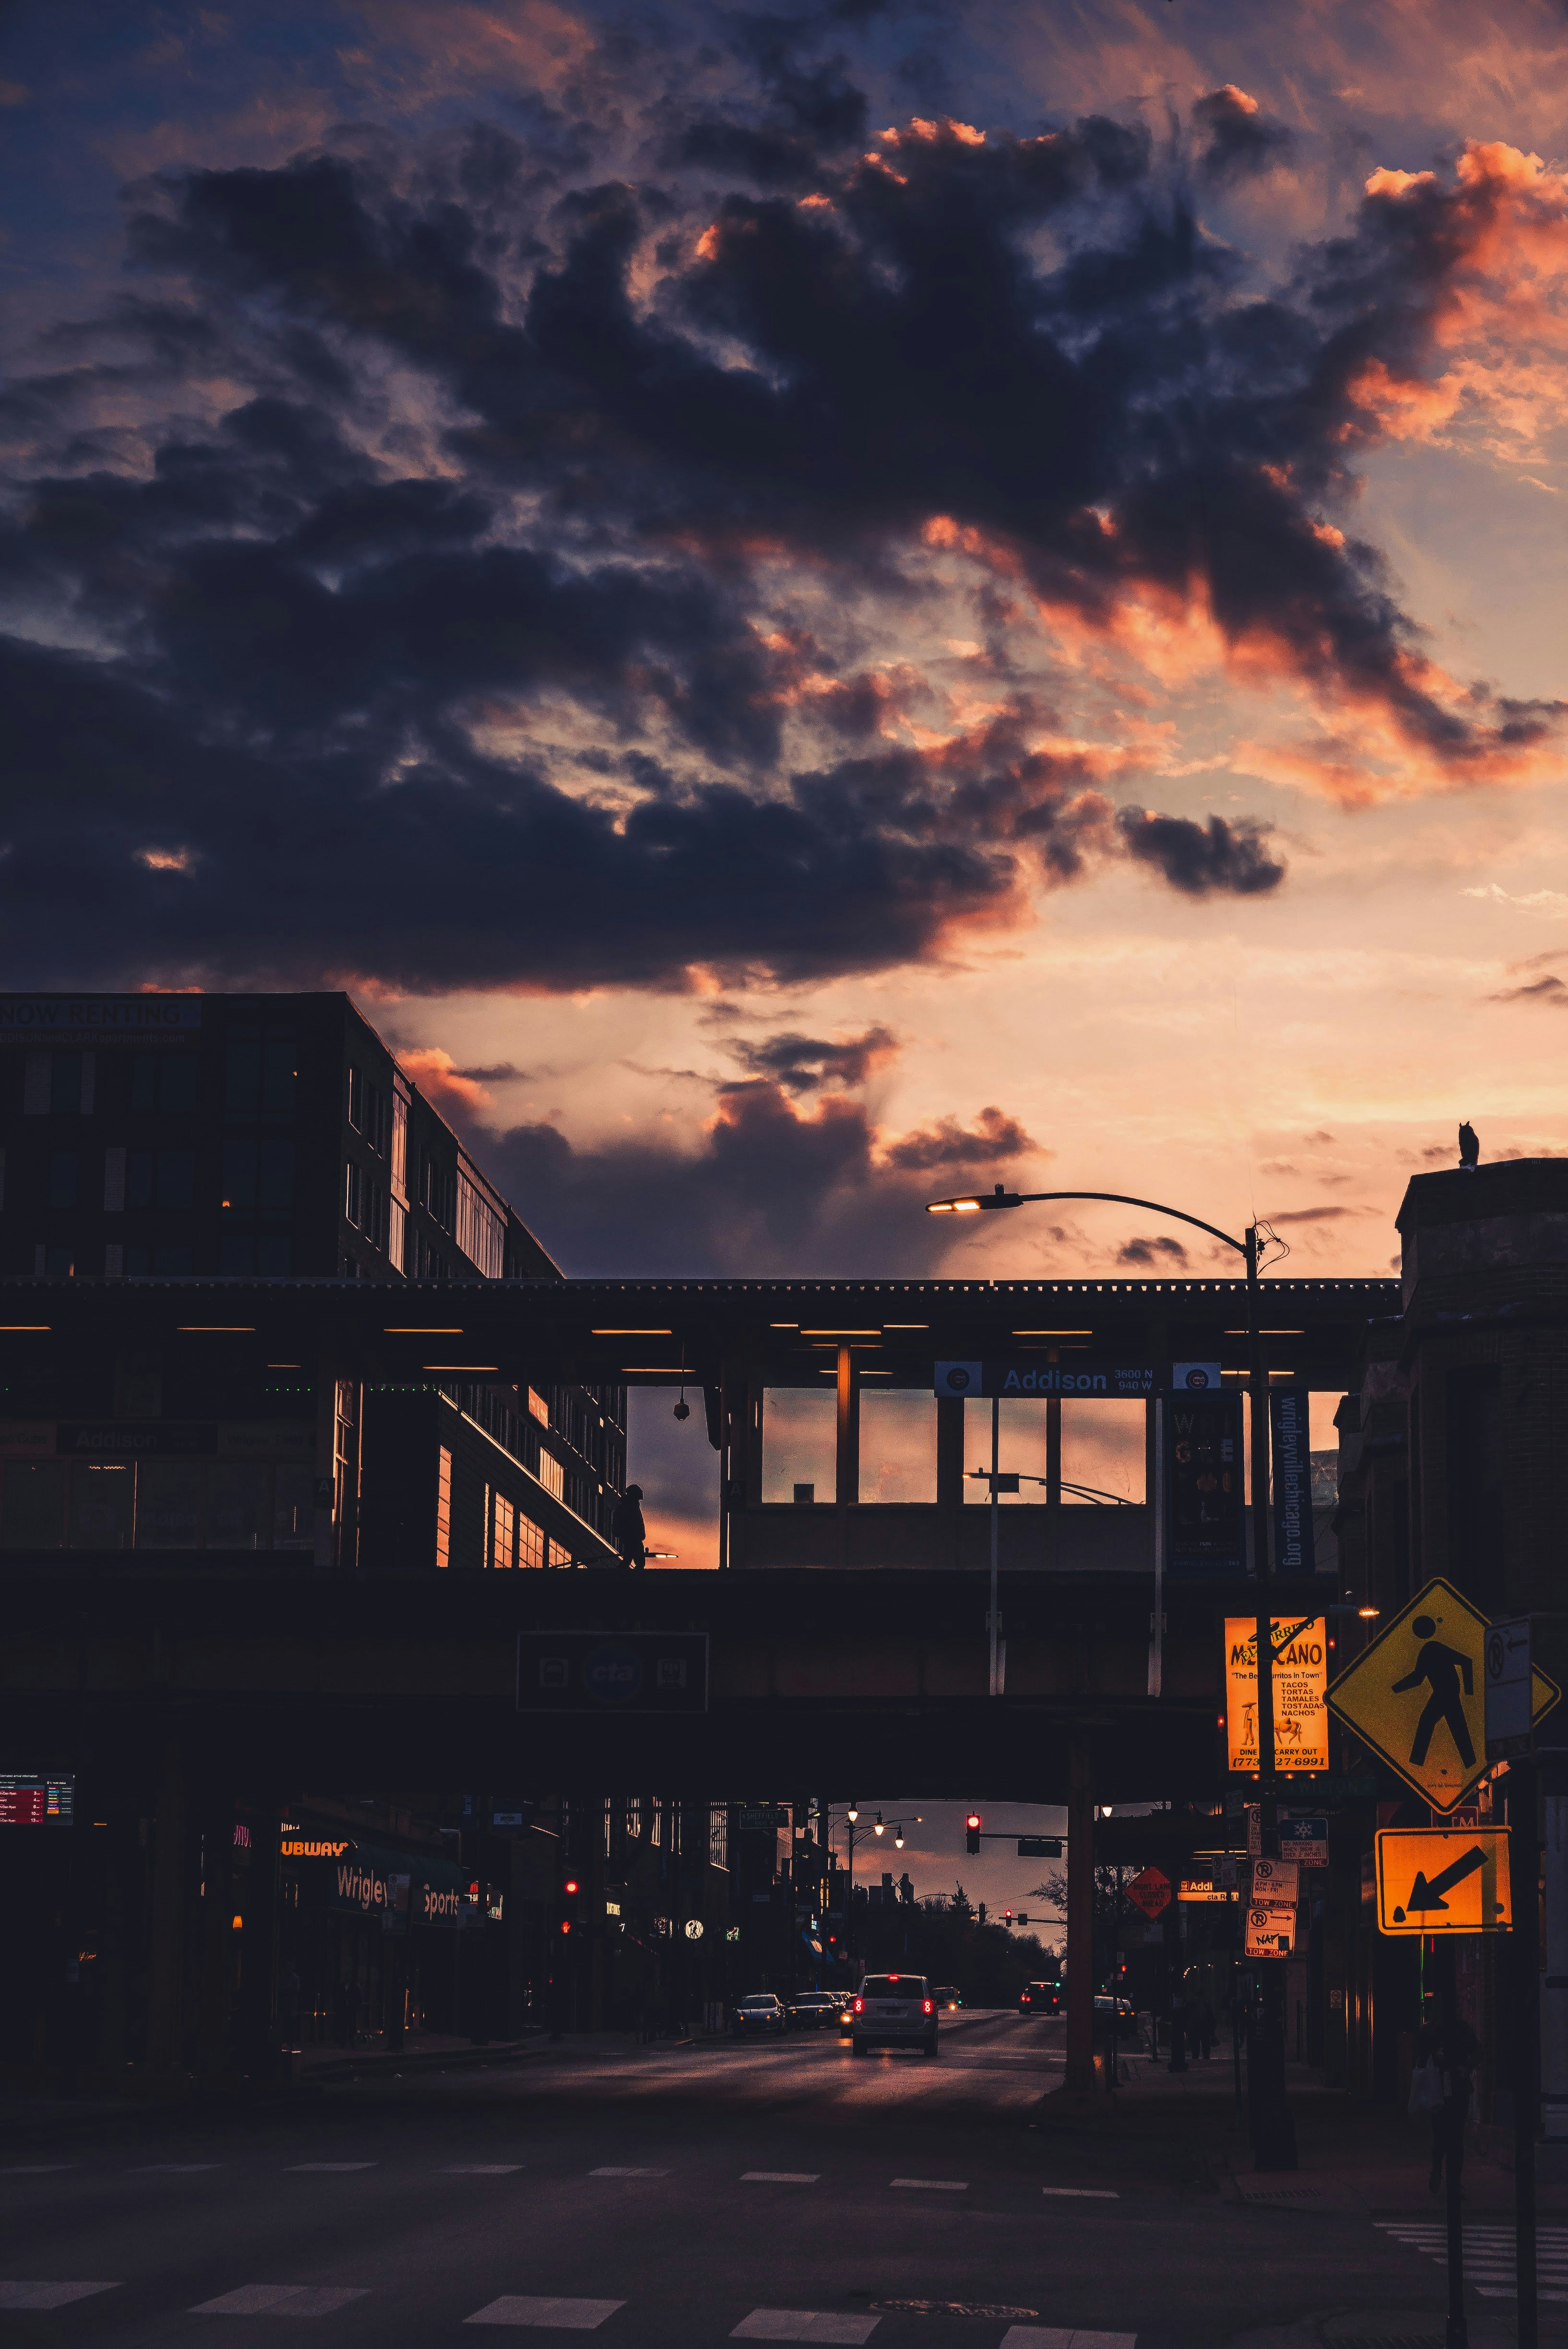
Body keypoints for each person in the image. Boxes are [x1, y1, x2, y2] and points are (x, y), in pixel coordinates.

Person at [1424, 2012, 1480, 2195]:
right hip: (1447, 2087)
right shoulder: (1448, 2028)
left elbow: (1477, 2052)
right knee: (1447, 2136)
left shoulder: (1446, 2028)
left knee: (1451, 2136)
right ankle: (1445, 2173)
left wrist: (1467, 2066)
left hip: (1451, 2087)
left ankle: (1449, 2178)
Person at [612, 1483, 647, 1571]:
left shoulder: (633, 1506)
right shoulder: (628, 1506)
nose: (642, 1493)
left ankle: (620, 1575)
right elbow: (630, 1523)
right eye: (639, 1491)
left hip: (634, 1537)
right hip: (632, 1537)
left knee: (630, 1559)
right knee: (637, 1561)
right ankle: (620, 1577)